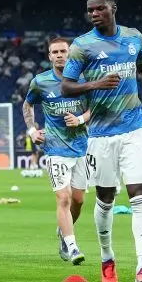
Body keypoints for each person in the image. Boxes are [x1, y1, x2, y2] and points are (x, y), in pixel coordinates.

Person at [60, 0, 142, 282]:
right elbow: (67, 86)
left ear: (113, 8)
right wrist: (95, 85)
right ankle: (107, 257)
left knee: (139, 195)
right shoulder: (82, 46)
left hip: (134, 128)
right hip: (101, 135)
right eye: (90, 9)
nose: (93, 13)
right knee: (105, 198)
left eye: (99, 8)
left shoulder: (133, 37)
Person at [24, 35, 90, 266]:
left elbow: (96, 107)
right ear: (50, 56)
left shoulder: (83, 78)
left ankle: (64, 233)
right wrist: (32, 130)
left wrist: (81, 118)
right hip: (55, 149)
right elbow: (27, 104)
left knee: (79, 200)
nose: (60, 55)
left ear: (70, 53)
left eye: (63, 51)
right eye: (55, 52)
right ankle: (72, 246)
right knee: (64, 197)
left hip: (82, 148)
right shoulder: (41, 81)